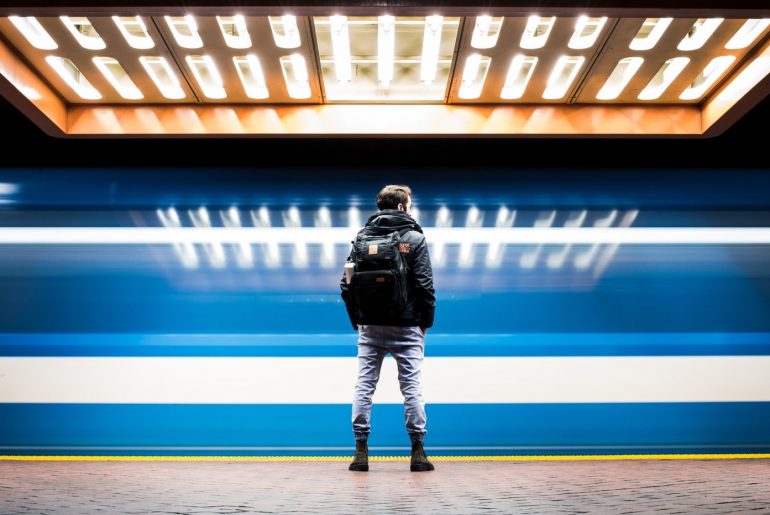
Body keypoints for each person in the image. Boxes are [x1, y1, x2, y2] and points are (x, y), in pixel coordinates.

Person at [340, 184, 436, 472]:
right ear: (402, 207)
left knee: (364, 385)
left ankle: (360, 451)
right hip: (407, 326)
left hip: (370, 327)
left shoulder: (361, 238)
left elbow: (346, 284)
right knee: (412, 387)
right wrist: (426, 322)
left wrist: (357, 319)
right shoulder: (415, 238)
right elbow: (425, 285)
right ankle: (418, 452)